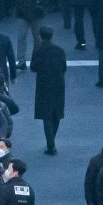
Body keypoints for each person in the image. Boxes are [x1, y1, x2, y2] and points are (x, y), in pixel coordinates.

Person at [9, 0, 50, 72]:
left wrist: (38, 0)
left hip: (33, 11)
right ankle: (22, 61)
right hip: (26, 11)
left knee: (37, 38)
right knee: (22, 37)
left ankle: (34, 61)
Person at [29, 25, 66, 155]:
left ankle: (51, 144)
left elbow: (33, 67)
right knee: (56, 113)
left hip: (44, 85)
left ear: (40, 35)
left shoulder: (38, 50)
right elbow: (64, 67)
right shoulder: (60, 50)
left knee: (46, 115)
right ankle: (52, 140)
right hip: (59, 84)